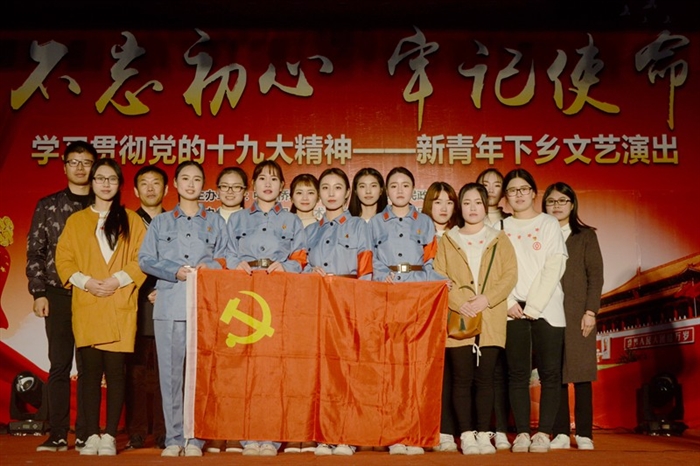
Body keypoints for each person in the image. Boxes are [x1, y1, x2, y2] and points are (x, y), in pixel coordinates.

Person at [55, 158, 147, 456]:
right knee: (90, 374)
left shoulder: (131, 220)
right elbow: (64, 258)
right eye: (100, 178)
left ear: (119, 185)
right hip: (89, 303)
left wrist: (117, 280)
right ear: (92, 182)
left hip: (119, 303)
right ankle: (91, 433)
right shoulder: (77, 221)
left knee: (117, 373)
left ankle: (109, 435)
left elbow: (142, 258)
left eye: (112, 179)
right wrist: (86, 282)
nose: (106, 184)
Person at [139, 161, 229, 457]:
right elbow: (145, 259)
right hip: (170, 305)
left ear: (204, 185)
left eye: (197, 179)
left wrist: (209, 267)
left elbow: (226, 258)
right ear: (175, 184)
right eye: (185, 179)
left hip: (205, 306)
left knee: (201, 375)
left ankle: (196, 439)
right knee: (170, 376)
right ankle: (174, 438)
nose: (191, 184)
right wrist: (174, 270)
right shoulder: (161, 223)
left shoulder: (215, 222)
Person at [225, 160, 306, 457]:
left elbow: (301, 258)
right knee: (245, 365)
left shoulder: (292, 222)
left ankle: (271, 435)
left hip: (278, 295)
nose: (268, 184)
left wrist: (287, 267)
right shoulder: (237, 220)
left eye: (274, 179)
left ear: (282, 186)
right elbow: (226, 253)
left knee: (274, 366)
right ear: (253, 185)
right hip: (244, 294)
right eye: (262, 178)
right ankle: (248, 435)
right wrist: (236, 264)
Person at [434, 183, 518, 455]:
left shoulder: (499, 238)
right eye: (467, 203)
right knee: (461, 379)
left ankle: (483, 433)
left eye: (478, 202)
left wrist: (486, 299)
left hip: (491, 317)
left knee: (486, 379)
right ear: (461, 207)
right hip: (460, 317)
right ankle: (466, 434)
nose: (472, 208)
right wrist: (461, 303)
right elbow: (439, 276)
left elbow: (509, 275)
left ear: (485, 205)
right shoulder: (448, 240)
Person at [369, 167, 444, 455]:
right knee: (389, 366)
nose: (399, 190)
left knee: (415, 366)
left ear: (414, 190)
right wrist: (380, 275)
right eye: (394, 185)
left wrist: (438, 282)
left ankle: (414, 433)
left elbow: (430, 261)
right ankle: (392, 434)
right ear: (386, 191)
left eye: (405, 185)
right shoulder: (375, 222)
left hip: (417, 295)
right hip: (387, 295)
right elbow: (369, 258)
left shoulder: (424, 222)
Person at [27, 140, 95, 452]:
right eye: (74, 162)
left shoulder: (104, 204)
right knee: (59, 365)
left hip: (93, 295)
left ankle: (85, 433)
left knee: (89, 366)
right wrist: (39, 292)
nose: (80, 168)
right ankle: (57, 433)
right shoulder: (48, 205)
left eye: (86, 162)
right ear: (65, 166)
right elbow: (35, 252)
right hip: (57, 293)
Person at [304, 168, 373, 456]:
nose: (331, 193)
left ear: (347, 194)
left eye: (337, 187)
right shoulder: (310, 231)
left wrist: (360, 308)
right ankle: (324, 434)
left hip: (348, 305)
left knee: (346, 369)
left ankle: (346, 434)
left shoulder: (359, 226)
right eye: (326, 188)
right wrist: (309, 273)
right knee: (321, 370)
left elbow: (366, 270)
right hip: (317, 305)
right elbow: (299, 266)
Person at [501, 168, 568, 453]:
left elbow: (555, 265)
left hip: (547, 309)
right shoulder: (500, 227)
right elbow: (495, 271)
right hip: (513, 310)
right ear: (505, 196)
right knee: (517, 374)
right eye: (512, 190)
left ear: (533, 192)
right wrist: (509, 302)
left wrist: (535, 306)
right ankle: (522, 433)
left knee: (550, 373)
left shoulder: (548, 223)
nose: (518, 195)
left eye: (523, 189)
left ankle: (543, 433)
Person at [543, 182, 604, 451]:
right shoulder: (540, 235)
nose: (556, 206)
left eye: (562, 201)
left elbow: (596, 276)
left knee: (581, 373)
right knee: (554, 373)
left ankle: (584, 433)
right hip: (548, 313)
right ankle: (559, 432)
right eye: (551, 201)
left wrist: (591, 311)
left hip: (579, 313)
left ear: (572, 204)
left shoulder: (586, 236)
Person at [204, 166, 248, 455]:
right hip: (215, 301)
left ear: (246, 191)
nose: (231, 192)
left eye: (237, 187)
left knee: (244, 368)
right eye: (225, 186)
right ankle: (217, 429)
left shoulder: (253, 220)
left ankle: (239, 431)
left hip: (248, 303)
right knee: (217, 368)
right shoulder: (206, 220)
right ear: (217, 189)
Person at [124, 166, 168, 450]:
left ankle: (165, 432)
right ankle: (137, 431)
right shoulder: (126, 222)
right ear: (135, 190)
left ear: (166, 189)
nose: (151, 188)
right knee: (136, 373)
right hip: (135, 303)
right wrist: (146, 290)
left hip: (169, 301)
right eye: (144, 183)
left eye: (156, 183)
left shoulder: (175, 222)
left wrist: (164, 289)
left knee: (167, 372)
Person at [421, 181, 460, 452]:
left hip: (456, 309)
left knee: (454, 372)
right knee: (427, 372)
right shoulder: (417, 232)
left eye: (449, 202)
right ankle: (424, 429)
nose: (443, 208)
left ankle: (448, 430)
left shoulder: (461, 234)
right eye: (437, 202)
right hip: (425, 310)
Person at [476, 167, 512, 451]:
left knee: (500, 371)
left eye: (496, 184)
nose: (490, 189)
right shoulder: (464, 223)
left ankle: (500, 428)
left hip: (504, 305)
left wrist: (508, 301)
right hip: (472, 306)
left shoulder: (510, 224)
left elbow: (512, 269)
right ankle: (477, 427)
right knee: (475, 372)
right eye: (484, 184)